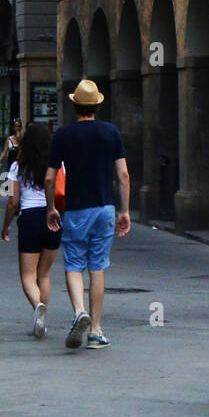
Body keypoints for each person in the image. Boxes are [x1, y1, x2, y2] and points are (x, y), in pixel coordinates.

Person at [45, 79, 131, 350]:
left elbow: (49, 178)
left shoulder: (63, 135)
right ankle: (95, 330)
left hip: (76, 209)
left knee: (73, 263)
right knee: (97, 266)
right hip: (104, 208)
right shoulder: (111, 133)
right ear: (96, 105)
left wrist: (51, 208)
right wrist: (125, 210)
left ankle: (78, 311)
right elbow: (124, 175)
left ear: (74, 105)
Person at [2, 123, 61, 339]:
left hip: (30, 219)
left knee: (28, 276)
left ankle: (38, 308)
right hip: (53, 218)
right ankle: (41, 316)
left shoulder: (17, 168)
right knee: (44, 273)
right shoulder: (58, 165)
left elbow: (12, 202)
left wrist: (6, 225)